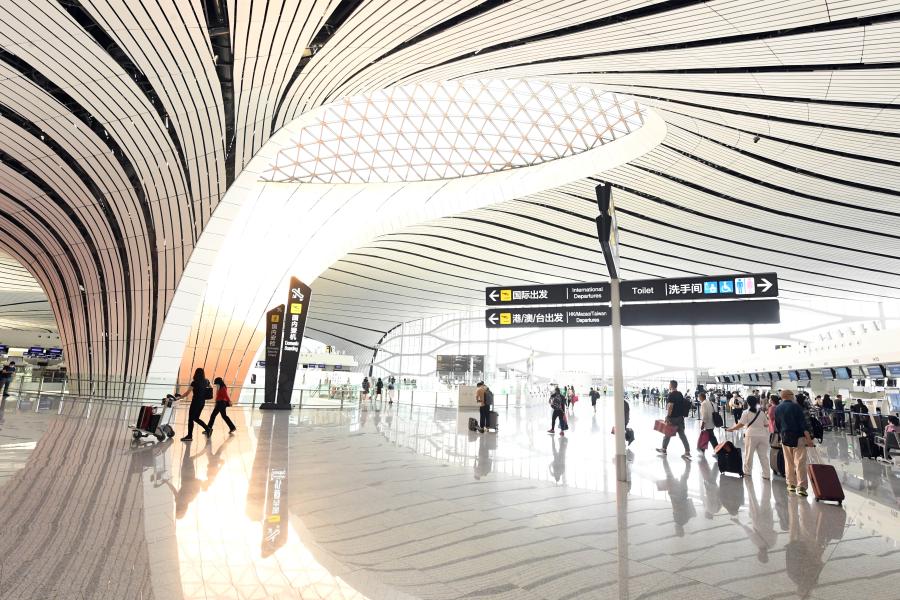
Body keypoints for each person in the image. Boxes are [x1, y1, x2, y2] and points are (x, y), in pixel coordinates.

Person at [775, 390, 814, 496]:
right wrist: (809, 439)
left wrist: (781, 436)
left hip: (785, 437)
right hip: (798, 437)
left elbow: (777, 425)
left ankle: (791, 484)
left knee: (788, 462)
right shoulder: (796, 407)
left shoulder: (777, 408)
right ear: (789, 396)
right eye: (793, 395)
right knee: (800, 462)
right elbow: (803, 424)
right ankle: (801, 487)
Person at [727, 396, 770, 478]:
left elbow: (741, 424)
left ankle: (747, 472)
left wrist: (732, 429)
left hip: (751, 435)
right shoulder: (761, 412)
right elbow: (766, 424)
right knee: (763, 456)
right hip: (763, 436)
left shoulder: (746, 412)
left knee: (749, 454)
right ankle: (766, 474)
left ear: (748, 403)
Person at [657, 380, 691, 459]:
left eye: (669, 384)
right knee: (682, 435)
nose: (668, 386)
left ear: (671, 385)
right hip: (680, 418)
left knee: (667, 434)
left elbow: (670, 406)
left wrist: (668, 416)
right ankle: (687, 451)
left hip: (673, 418)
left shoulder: (671, 395)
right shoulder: (680, 394)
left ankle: (664, 449)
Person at [176, 367, 212, 441]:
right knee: (196, 418)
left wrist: (179, 398)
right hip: (202, 402)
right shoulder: (206, 381)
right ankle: (208, 429)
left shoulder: (194, 382)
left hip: (195, 402)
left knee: (191, 419)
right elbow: (211, 388)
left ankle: (190, 436)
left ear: (196, 373)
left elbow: (187, 393)